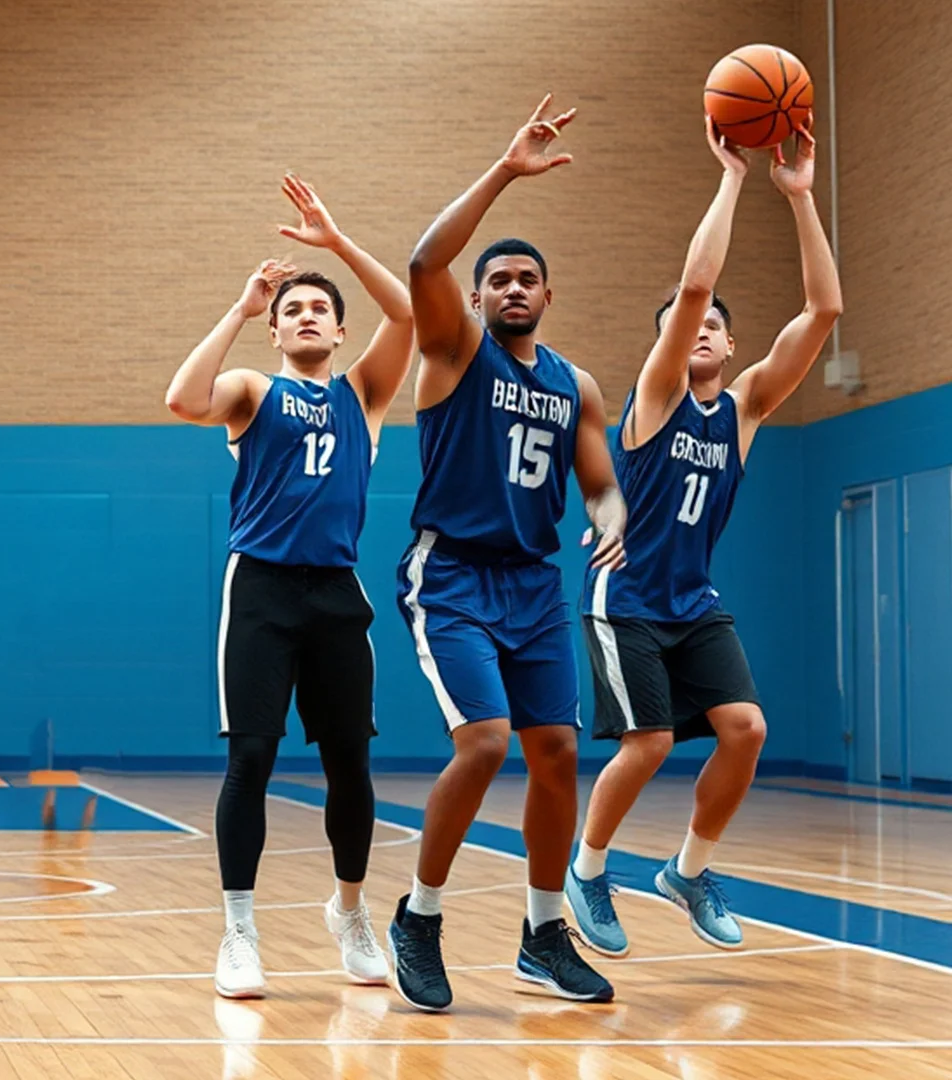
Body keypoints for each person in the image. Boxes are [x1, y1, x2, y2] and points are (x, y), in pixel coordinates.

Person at [567, 120, 839, 955]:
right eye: (692, 328)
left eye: (719, 327)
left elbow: (825, 309)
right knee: (647, 744)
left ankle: (687, 872)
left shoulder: (746, 409)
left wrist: (798, 198)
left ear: (733, 345)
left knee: (748, 729)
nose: (704, 332)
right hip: (630, 602)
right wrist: (730, 180)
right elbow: (692, 292)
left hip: (692, 602)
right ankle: (588, 870)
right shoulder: (656, 397)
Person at [384, 98, 628, 1012]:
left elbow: (597, 479)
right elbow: (422, 262)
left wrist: (610, 516)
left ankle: (542, 932)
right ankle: (422, 915)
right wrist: (504, 169)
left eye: (530, 277)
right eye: (501, 279)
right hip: (449, 575)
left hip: (532, 582)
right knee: (485, 743)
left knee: (558, 751)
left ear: (549, 295)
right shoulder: (452, 349)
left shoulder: (579, 384)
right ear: (480, 296)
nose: (515, 287)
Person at [164, 175, 414, 998]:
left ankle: (349, 910)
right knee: (254, 758)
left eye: (320, 309)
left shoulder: (364, 396)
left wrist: (335, 243)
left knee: (350, 762)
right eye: (293, 310)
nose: (306, 316)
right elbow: (182, 398)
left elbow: (408, 313)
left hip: (338, 593)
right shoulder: (253, 391)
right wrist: (239, 308)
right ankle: (238, 928)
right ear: (276, 331)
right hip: (264, 591)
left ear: (341, 330)